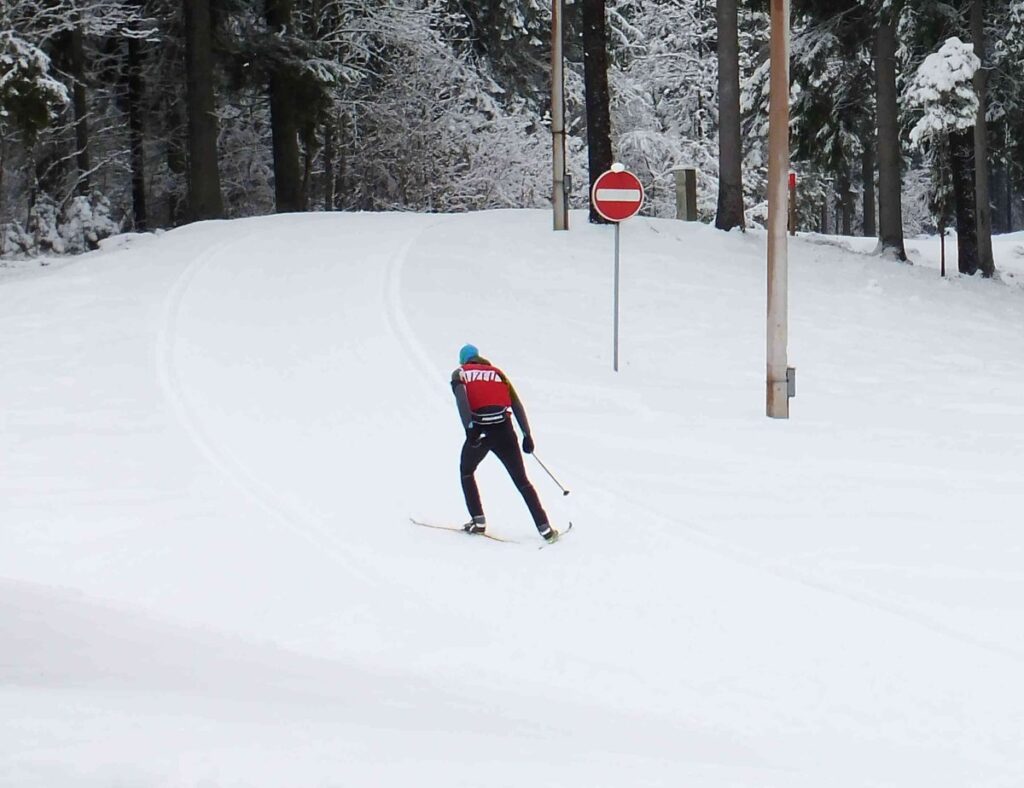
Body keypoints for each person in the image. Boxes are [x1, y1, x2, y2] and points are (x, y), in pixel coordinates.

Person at [451, 344, 559, 543]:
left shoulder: (460, 373)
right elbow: (516, 403)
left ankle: (478, 521)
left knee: (466, 471)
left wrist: (470, 430)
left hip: (480, 432)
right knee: (522, 481)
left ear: (463, 361)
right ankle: (545, 529)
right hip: (505, 431)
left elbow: (461, 400)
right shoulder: (498, 373)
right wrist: (527, 435)